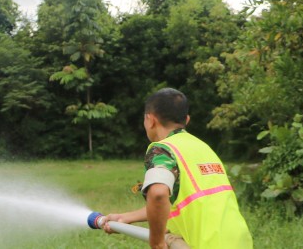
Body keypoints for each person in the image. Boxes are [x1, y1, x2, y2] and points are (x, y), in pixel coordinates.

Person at [101, 88, 252, 249]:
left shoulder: (162, 150)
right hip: (239, 241)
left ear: (150, 120)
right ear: (186, 120)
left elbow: (158, 194)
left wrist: (157, 241)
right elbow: (182, 202)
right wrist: (127, 217)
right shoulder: (202, 147)